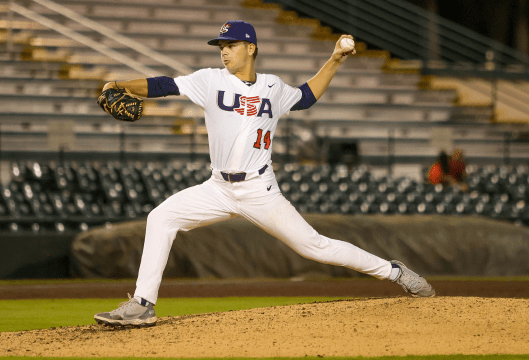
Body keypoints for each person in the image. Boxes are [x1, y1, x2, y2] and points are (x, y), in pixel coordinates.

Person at [93, 21, 435, 327]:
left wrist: (334, 60)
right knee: (161, 218)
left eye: (230, 45)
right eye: (221, 46)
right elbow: (162, 85)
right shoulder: (209, 80)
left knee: (314, 246)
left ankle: (394, 272)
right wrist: (118, 83)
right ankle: (142, 305)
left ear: (251, 48)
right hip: (217, 187)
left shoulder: (273, 86)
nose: (224, 51)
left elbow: (305, 97)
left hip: (260, 189)